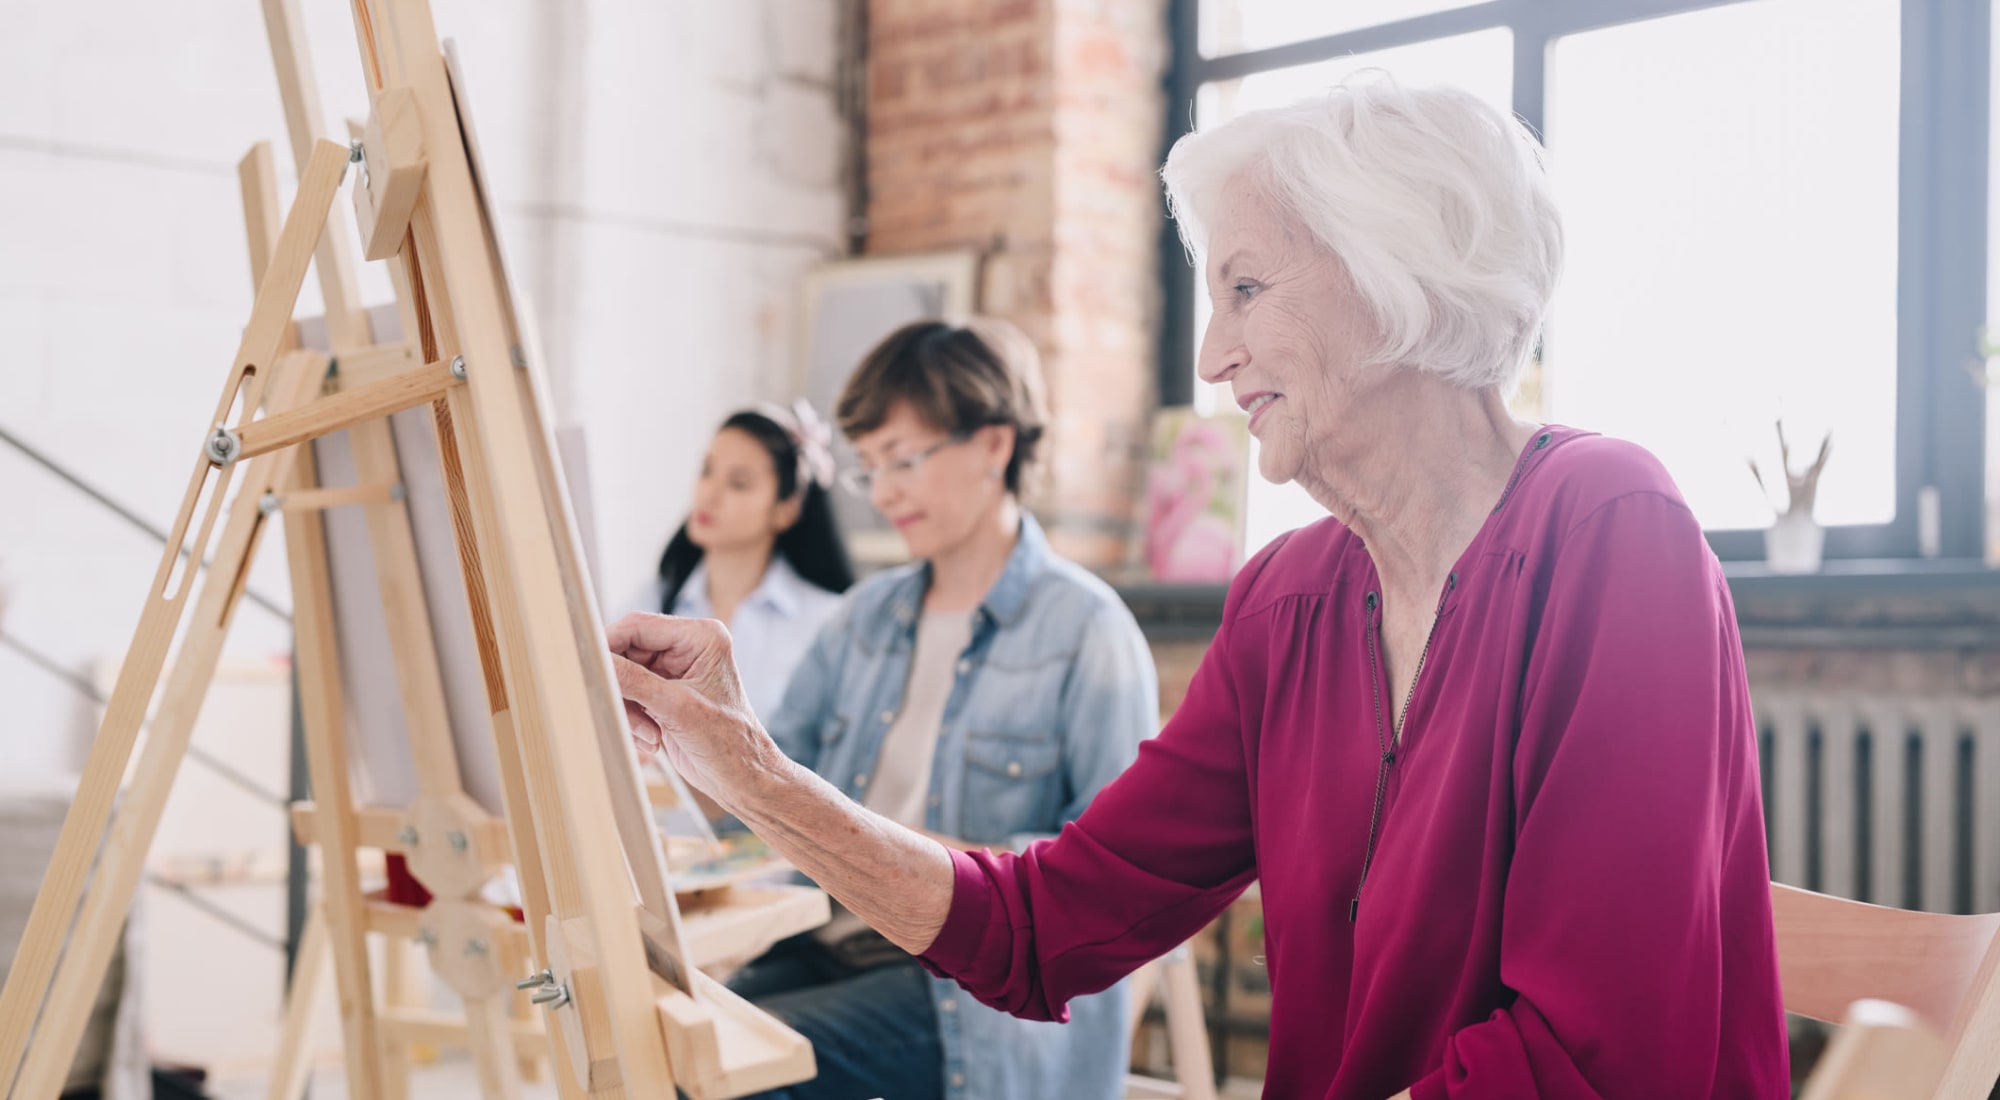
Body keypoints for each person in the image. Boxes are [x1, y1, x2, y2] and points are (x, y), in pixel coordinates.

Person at [610, 74, 1789, 1100]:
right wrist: (743, 767)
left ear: (1396, 274)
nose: (1207, 356)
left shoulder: (1610, 530)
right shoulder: (1285, 606)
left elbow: (1590, 1060)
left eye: (1247, 290)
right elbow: (1040, 924)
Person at [655, 319, 1157, 1100]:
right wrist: (672, 735)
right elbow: (758, 785)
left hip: (969, 989)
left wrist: (886, 850)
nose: (883, 492)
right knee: (657, 1048)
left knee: (727, 1075)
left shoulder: (1089, 632)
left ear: (994, 446)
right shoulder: (864, 619)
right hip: (837, 943)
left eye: (904, 461)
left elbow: (1111, 888)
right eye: (868, 469)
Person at [639, 403, 853, 720]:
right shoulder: (650, 603)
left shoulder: (828, 623)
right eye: (707, 471)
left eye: (738, 483)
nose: (709, 494)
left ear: (787, 509)